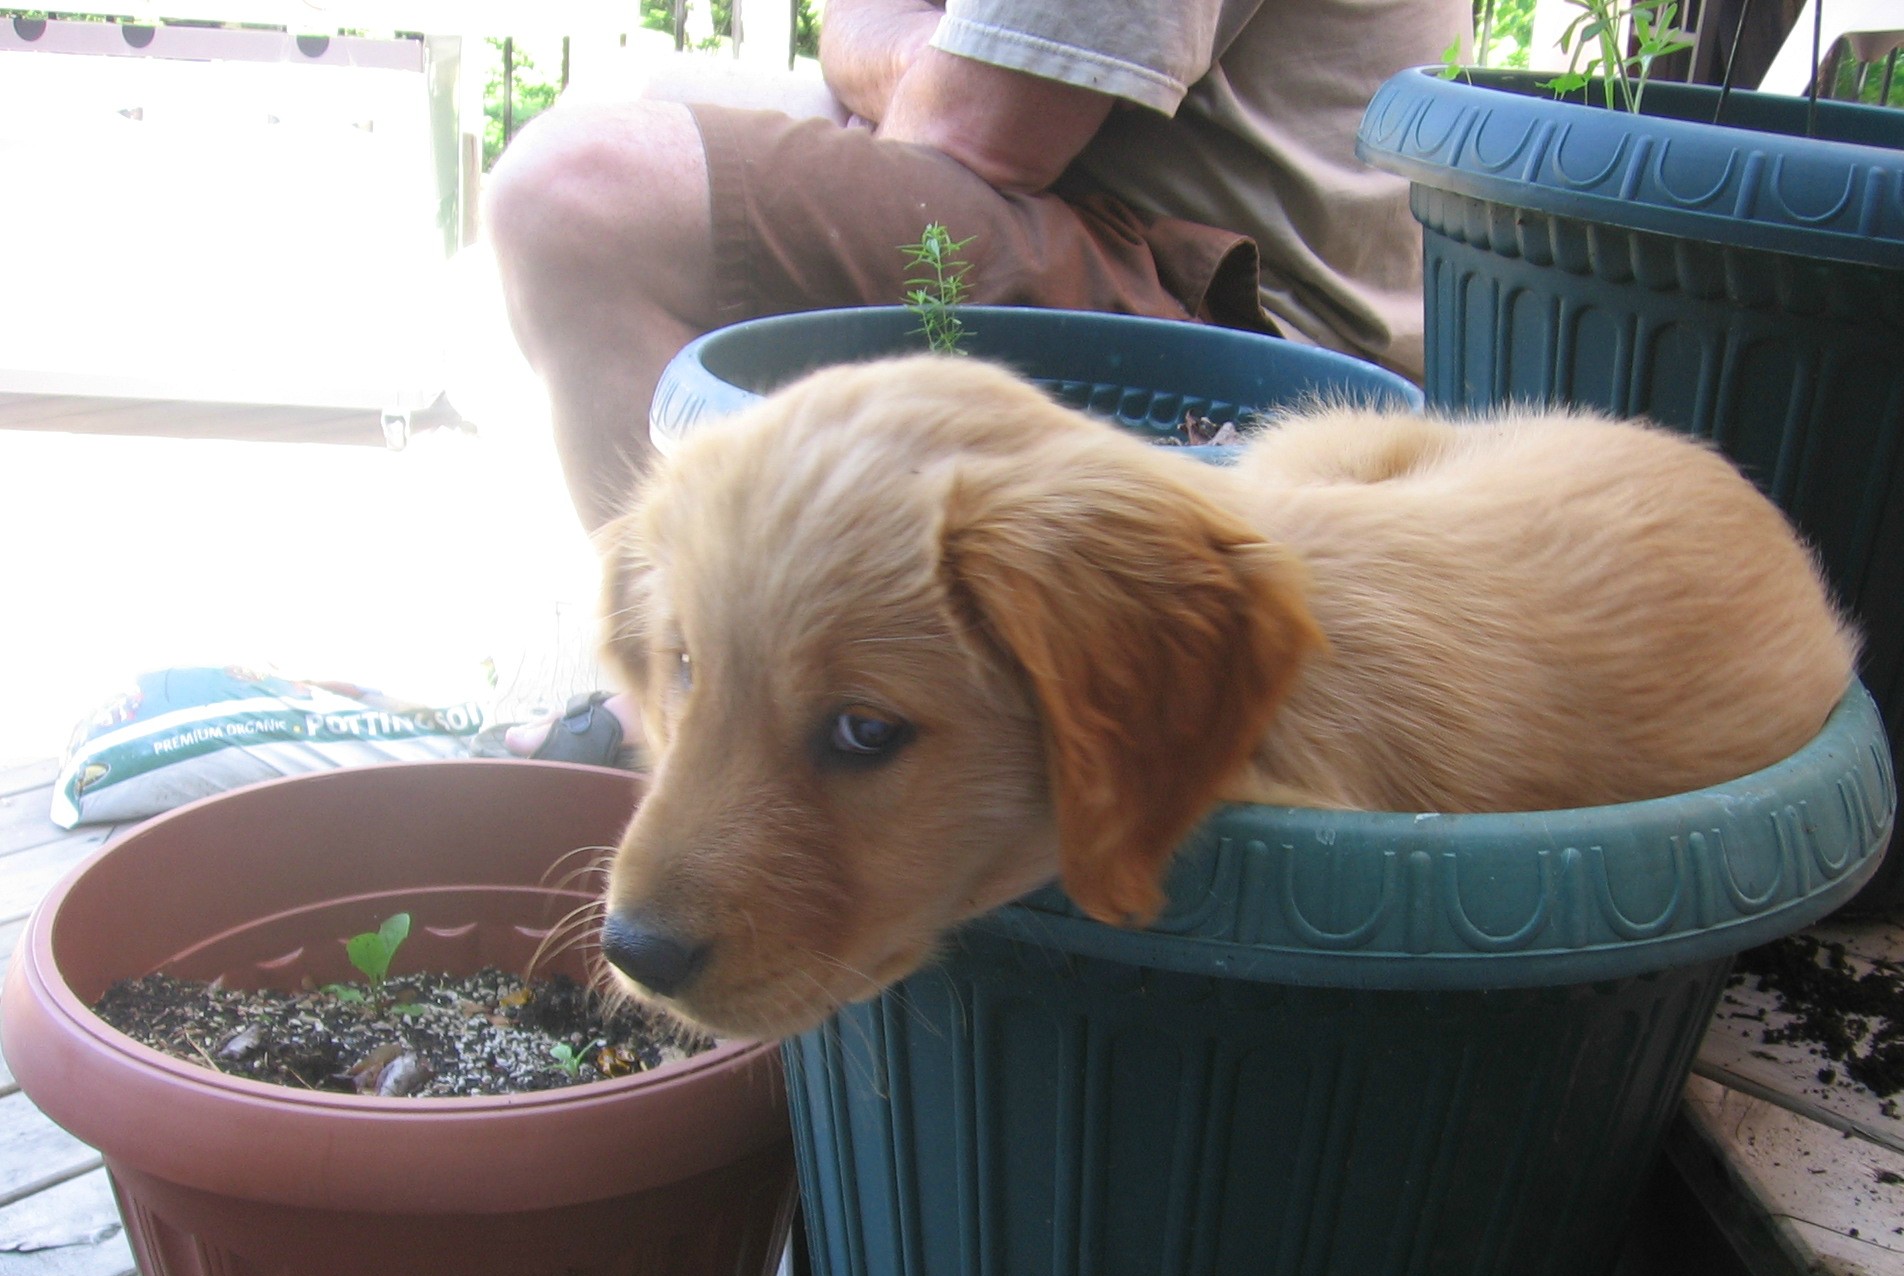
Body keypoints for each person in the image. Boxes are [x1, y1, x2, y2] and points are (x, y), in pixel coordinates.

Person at [484, 0, 1463, 759]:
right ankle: (696, 685)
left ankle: (688, 731)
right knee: (658, 92)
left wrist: (904, 57)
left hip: (1232, 330)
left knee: (574, 200)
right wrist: (906, 55)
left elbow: (968, 123)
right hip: (1101, 210)